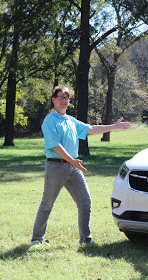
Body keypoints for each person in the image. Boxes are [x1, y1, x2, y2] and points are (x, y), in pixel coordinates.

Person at [30, 85, 131, 246]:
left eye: (66, 98)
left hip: (73, 167)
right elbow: (56, 146)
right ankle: (36, 239)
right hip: (56, 167)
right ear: (53, 100)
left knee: (85, 202)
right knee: (47, 203)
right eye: (61, 97)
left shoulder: (70, 120)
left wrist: (114, 126)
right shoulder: (50, 120)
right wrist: (72, 161)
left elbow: (90, 129)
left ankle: (85, 239)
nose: (64, 100)